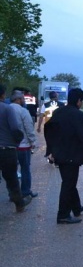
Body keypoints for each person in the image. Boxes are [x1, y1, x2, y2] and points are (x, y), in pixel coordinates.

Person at [44, 88, 83, 224]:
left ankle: (76, 208)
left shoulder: (58, 113)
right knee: (68, 183)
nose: (81, 104)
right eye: (82, 101)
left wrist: (50, 150)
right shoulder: (80, 116)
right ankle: (63, 215)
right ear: (78, 100)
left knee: (69, 181)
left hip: (60, 154)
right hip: (72, 155)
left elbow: (48, 130)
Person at [0, 84, 31, 212]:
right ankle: (19, 203)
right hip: (7, 149)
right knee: (12, 178)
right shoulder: (7, 109)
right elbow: (15, 129)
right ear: (3, 94)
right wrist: (17, 142)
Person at [10, 90, 38, 198]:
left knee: (11, 170)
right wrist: (33, 141)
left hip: (9, 146)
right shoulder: (23, 111)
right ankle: (25, 191)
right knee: (25, 168)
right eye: (22, 98)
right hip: (23, 145)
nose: (23, 100)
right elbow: (29, 127)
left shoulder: (5, 109)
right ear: (18, 99)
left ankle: (13, 193)